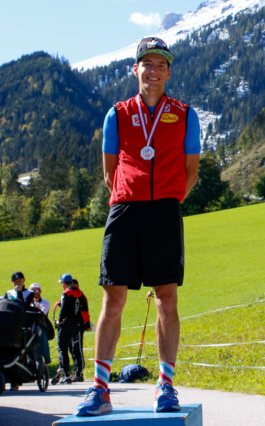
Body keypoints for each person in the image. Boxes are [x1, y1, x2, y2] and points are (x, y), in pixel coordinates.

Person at [75, 37, 200, 417]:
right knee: (112, 298)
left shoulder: (184, 113)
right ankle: (100, 389)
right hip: (125, 209)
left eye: (161, 64)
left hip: (164, 209)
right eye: (147, 63)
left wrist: (168, 197)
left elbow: (190, 171)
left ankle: (165, 386)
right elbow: (108, 172)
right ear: (136, 69)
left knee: (166, 297)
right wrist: (130, 195)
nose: (154, 70)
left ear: (168, 71)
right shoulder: (117, 113)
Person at [54, 273, 89, 385]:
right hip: (77, 325)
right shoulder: (80, 294)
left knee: (63, 349)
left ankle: (67, 374)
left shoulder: (66, 294)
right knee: (76, 349)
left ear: (64, 283)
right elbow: (84, 309)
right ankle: (78, 372)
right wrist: (86, 323)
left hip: (66, 325)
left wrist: (59, 320)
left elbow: (63, 309)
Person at [70, 279, 91, 382]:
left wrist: (86, 323)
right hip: (72, 325)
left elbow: (84, 311)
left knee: (77, 348)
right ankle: (76, 371)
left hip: (79, 325)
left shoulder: (80, 296)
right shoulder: (71, 295)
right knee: (73, 349)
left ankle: (79, 372)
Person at [29, 282, 53, 365]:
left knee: (42, 333)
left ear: (40, 291)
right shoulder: (28, 302)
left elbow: (42, 313)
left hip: (40, 324)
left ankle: (46, 359)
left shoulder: (45, 302)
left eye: (37, 290)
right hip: (29, 324)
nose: (35, 292)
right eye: (33, 290)